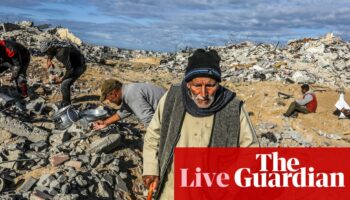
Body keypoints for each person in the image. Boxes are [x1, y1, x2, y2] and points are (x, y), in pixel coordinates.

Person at [142, 49, 259, 200]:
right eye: (197, 85)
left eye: (210, 85)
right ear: (188, 84)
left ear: (218, 83)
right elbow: (153, 136)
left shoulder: (233, 107)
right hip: (171, 191)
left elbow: (250, 152)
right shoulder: (172, 99)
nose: (203, 93)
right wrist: (151, 169)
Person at [92, 79, 165, 130]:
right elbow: (123, 112)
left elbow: (148, 120)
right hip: (171, 109)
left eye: (108, 98)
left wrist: (154, 139)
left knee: (151, 144)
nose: (110, 101)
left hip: (172, 113)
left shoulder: (131, 95)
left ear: (113, 93)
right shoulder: (128, 90)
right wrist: (105, 122)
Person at [40, 39, 86, 108]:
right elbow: (51, 53)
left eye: (46, 51)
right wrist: (49, 60)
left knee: (64, 84)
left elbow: (70, 70)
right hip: (75, 62)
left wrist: (61, 80)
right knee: (63, 75)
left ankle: (66, 104)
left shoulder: (62, 54)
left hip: (79, 67)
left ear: (50, 48)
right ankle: (66, 101)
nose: (46, 53)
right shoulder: (55, 45)